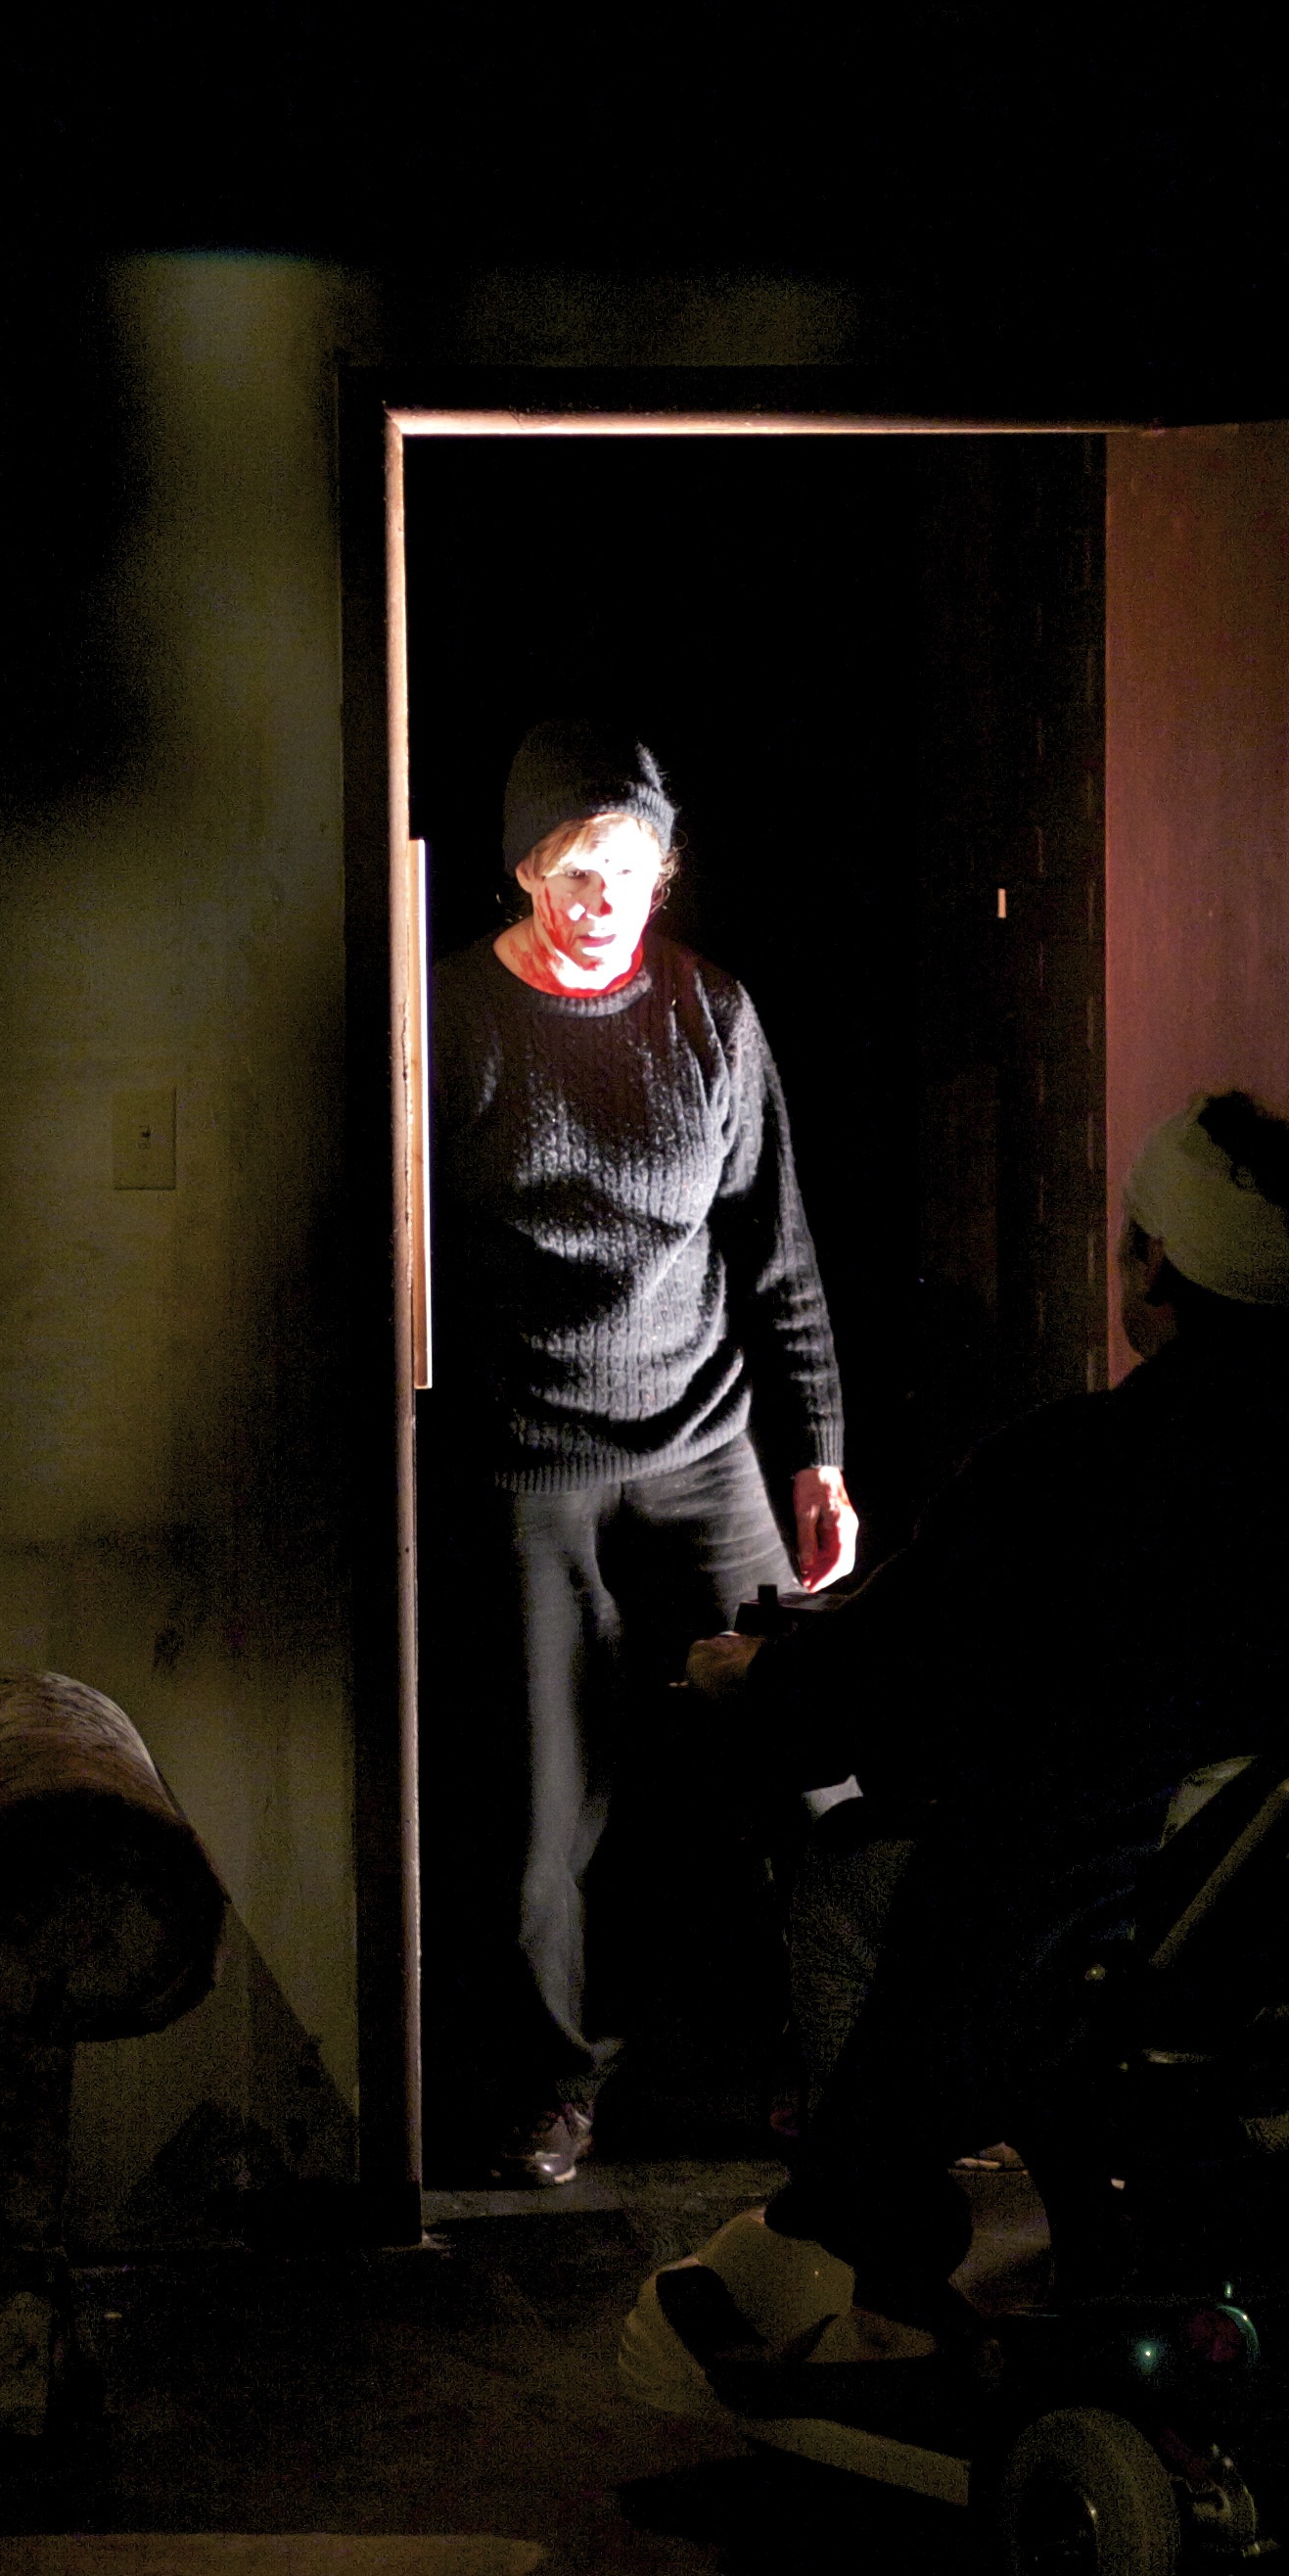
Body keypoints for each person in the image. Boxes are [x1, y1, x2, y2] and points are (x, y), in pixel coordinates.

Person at [619, 1087, 1289, 2403]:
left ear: (1154, 1264)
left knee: (851, 1874)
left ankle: (877, 2257)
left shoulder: (1074, 1471)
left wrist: (749, 1677)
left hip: (1137, 1950)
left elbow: (859, 1702)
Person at [427, 719, 857, 2184]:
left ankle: (839, 2067)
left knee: (808, 1761)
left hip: (701, 1440)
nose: (598, 899)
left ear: (663, 874)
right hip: (529, 1460)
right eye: (569, 870)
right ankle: (555, 2085)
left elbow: (777, 1249)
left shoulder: (711, 1015)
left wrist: (818, 1453)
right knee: (540, 1816)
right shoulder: (453, 1020)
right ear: (522, 874)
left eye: (625, 870)